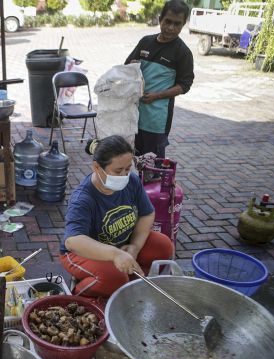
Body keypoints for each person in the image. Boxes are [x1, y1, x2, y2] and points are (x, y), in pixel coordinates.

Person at [61, 136, 174, 299]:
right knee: (114, 278)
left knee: (163, 246)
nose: (124, 175)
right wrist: (115, 254)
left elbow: (147, 213)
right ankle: (79, 296)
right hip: (82, 253)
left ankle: (129, 286)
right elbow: (73, 241)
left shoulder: (132, 181)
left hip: (121, 244)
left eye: (128, 169)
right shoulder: (83, 198)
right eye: (118, 171)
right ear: (97, 167)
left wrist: (134, 246)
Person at [125, 0, 194, 158]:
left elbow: (185, 85)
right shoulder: (146, 42)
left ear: (183, 24)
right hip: (133, 115)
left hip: (156, 121)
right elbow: (127, 66)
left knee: (151, 166)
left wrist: (157, 95)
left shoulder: (182, 52)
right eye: (167, 21)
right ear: (160, 19)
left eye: (177, 24)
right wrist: (132, 66)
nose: (171, 28)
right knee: (128, 161)